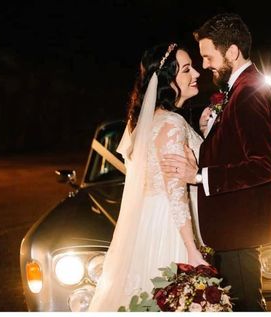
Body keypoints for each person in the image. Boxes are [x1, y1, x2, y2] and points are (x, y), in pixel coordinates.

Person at [161, 13, 271, 311]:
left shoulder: (249, 92)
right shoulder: (240, 89)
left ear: (231, 51)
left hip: (240, 228)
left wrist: (201, 176)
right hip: (234, 227)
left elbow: (264, 165)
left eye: (208, 56)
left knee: (247, 307)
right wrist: (209, 133)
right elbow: (236, 149)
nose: (204, 65)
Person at [88, 43, 208, 311]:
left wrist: (199, 132)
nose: (197, 73)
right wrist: (191, 250)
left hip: (146, 223)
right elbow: (177, 194)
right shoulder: (172, 124)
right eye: (187, 69)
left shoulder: (148, 122)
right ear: (168, 80)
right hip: (173, 226)